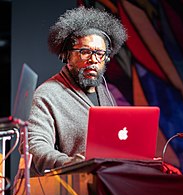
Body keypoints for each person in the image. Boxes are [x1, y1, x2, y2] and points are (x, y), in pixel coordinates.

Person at [26, 6, 127, 176]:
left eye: (100, 53)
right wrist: (70, 163)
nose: (93, 60)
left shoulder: (106, 94)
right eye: (85, 52)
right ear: (66, 55)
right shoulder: (48, 94)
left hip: (104, 184)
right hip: (67, 187)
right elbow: (35, 147)